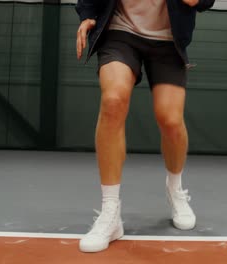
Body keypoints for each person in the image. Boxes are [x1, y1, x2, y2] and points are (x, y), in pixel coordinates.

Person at [75, 0, 215, 253]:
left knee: (171, 121)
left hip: (168, 41)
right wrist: (87, 16)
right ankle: (110, 212)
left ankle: (175, 189)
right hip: (120, 33)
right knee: (113, 99)